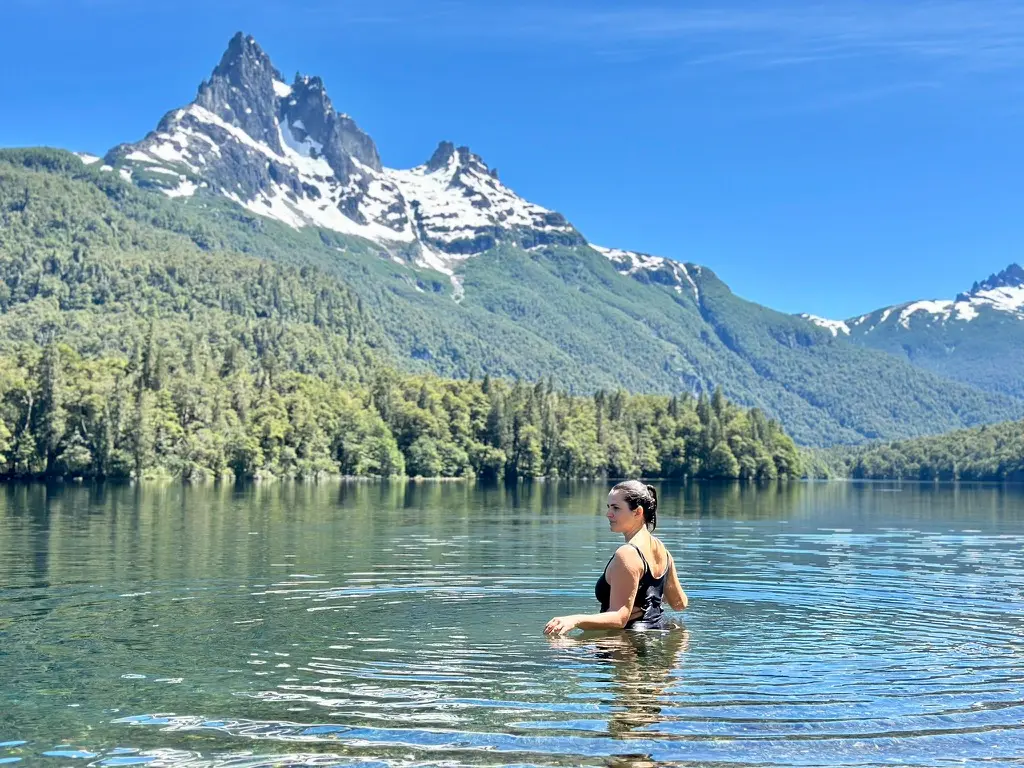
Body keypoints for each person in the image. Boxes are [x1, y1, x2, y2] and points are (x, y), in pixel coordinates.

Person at [544, 480, 688, 634]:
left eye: (616, 508)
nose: (608, 514)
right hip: (655, 637)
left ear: (638, 512)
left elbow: (619, 619)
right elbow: (679, 603)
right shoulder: (662, 550)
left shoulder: (627, 554)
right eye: (608, 507)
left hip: (625, 644)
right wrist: (650, 599)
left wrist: (574, 620)